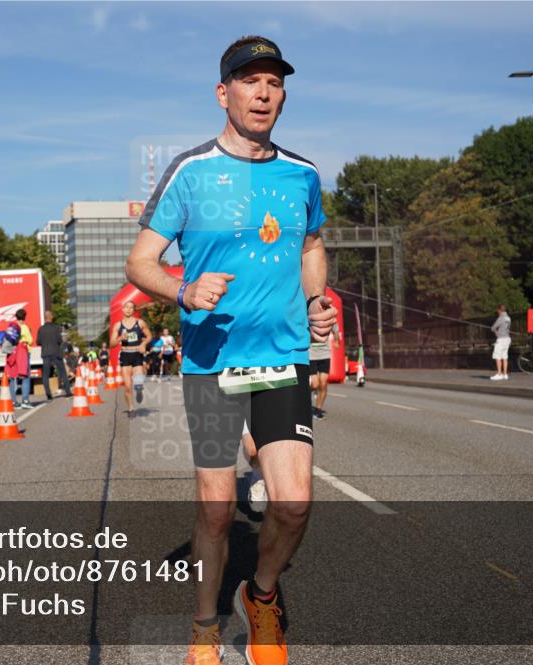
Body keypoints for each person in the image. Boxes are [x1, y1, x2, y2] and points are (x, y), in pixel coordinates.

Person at [125, 36, 338, 665]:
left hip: (282, 359)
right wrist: (184, 289)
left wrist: (317, 298)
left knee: (294, 502)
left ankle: (261, 596)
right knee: (217, 513)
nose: (264, 92)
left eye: (274, 82)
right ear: (225, 93)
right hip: (213, 365)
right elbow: (141, 263)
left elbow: (310, 247)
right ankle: (203, 625)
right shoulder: (191, 171)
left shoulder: (302, 175)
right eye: (250, 81)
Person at [109, 301, 152, 416]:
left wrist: (143, 344)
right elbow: (111, 344)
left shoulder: (140, 323)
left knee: (138, 382)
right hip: (125, 355)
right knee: (127, 386)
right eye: (126, 307)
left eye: (131, 308)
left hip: (137, 354)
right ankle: (131, 408)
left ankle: (138, 391)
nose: (128, 309)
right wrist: (119, 338)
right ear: (122, 310)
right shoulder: (118, 325)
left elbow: (149, 336)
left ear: (134, 310)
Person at [36, 310, 70, 399]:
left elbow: (38, 342)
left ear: (45, 317)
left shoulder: (41, 329)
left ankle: (48, 393)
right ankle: (68, 392)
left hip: (45, 353)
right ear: (51, 316)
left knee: (46, 375)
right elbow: (60, 340)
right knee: (62, 373)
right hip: (56, 353)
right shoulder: (56, 328)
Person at [308, 324, 340, 419]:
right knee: (314, 384)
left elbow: (335, 331)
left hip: (325, 354)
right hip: (311, 354)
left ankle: (318, 410)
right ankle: (306, 398)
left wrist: (336, 341)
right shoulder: (310, 315)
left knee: (323, 384)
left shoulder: (329, 317)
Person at [6, 308, 33, 408]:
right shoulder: (24, 327)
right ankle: (25, 400)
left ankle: (13, 401)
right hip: (23, 353)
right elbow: (30, 341)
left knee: (12, 376)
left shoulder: (11, 327)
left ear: (16, 316)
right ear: (24, 317)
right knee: (25, 376)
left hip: (12, 352)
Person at [491, 304, 511, 380]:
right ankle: (505, 374)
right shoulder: (508, 318)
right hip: (507, 338)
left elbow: (493, 328)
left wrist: (496, 332)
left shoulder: (501, 318)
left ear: (499, 310)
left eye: (497, 310)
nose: (497, 312)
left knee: (497, 356)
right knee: (505, 356)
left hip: (501, 339)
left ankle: (499, 374)